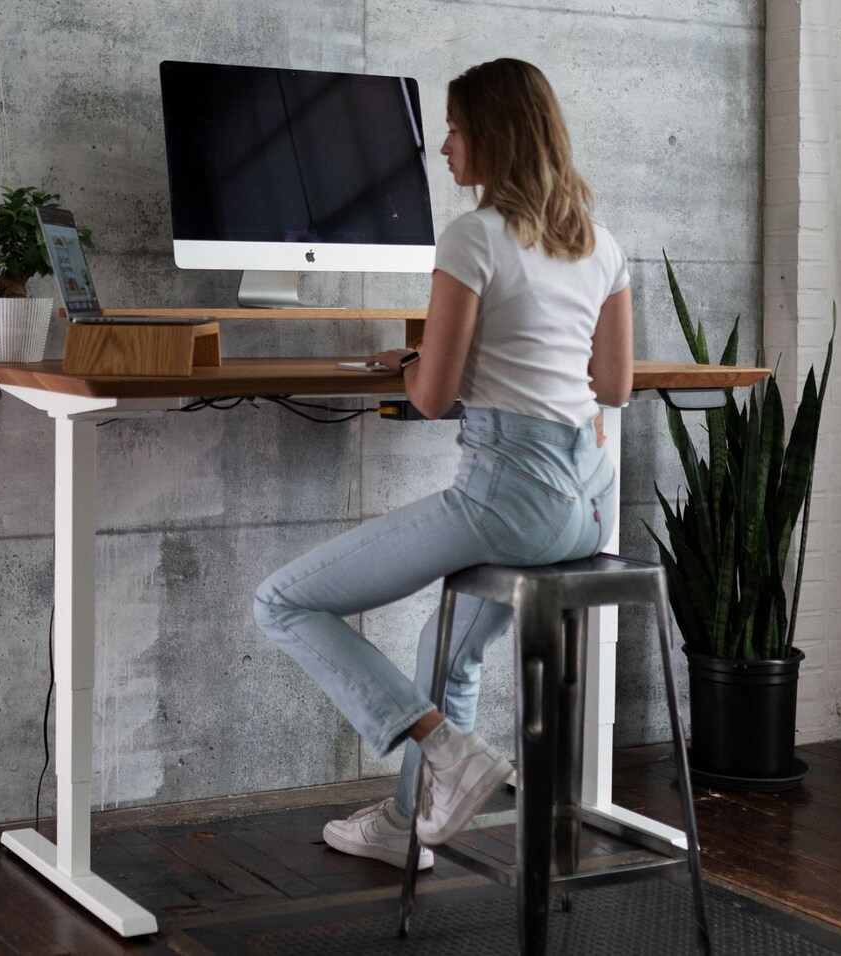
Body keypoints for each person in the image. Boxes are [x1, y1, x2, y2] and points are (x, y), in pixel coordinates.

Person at [254, 57, 633, 870]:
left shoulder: (472, 237)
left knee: (280, 601)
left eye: (456, 130)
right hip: (590, 506)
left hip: (512, 499)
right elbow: (615, 386)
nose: (445, 149)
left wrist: (412, 364)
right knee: (448, 643)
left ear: (492, 137)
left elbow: (428, 400)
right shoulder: (603, 244)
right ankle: (405, 821)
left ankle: (448, 752)